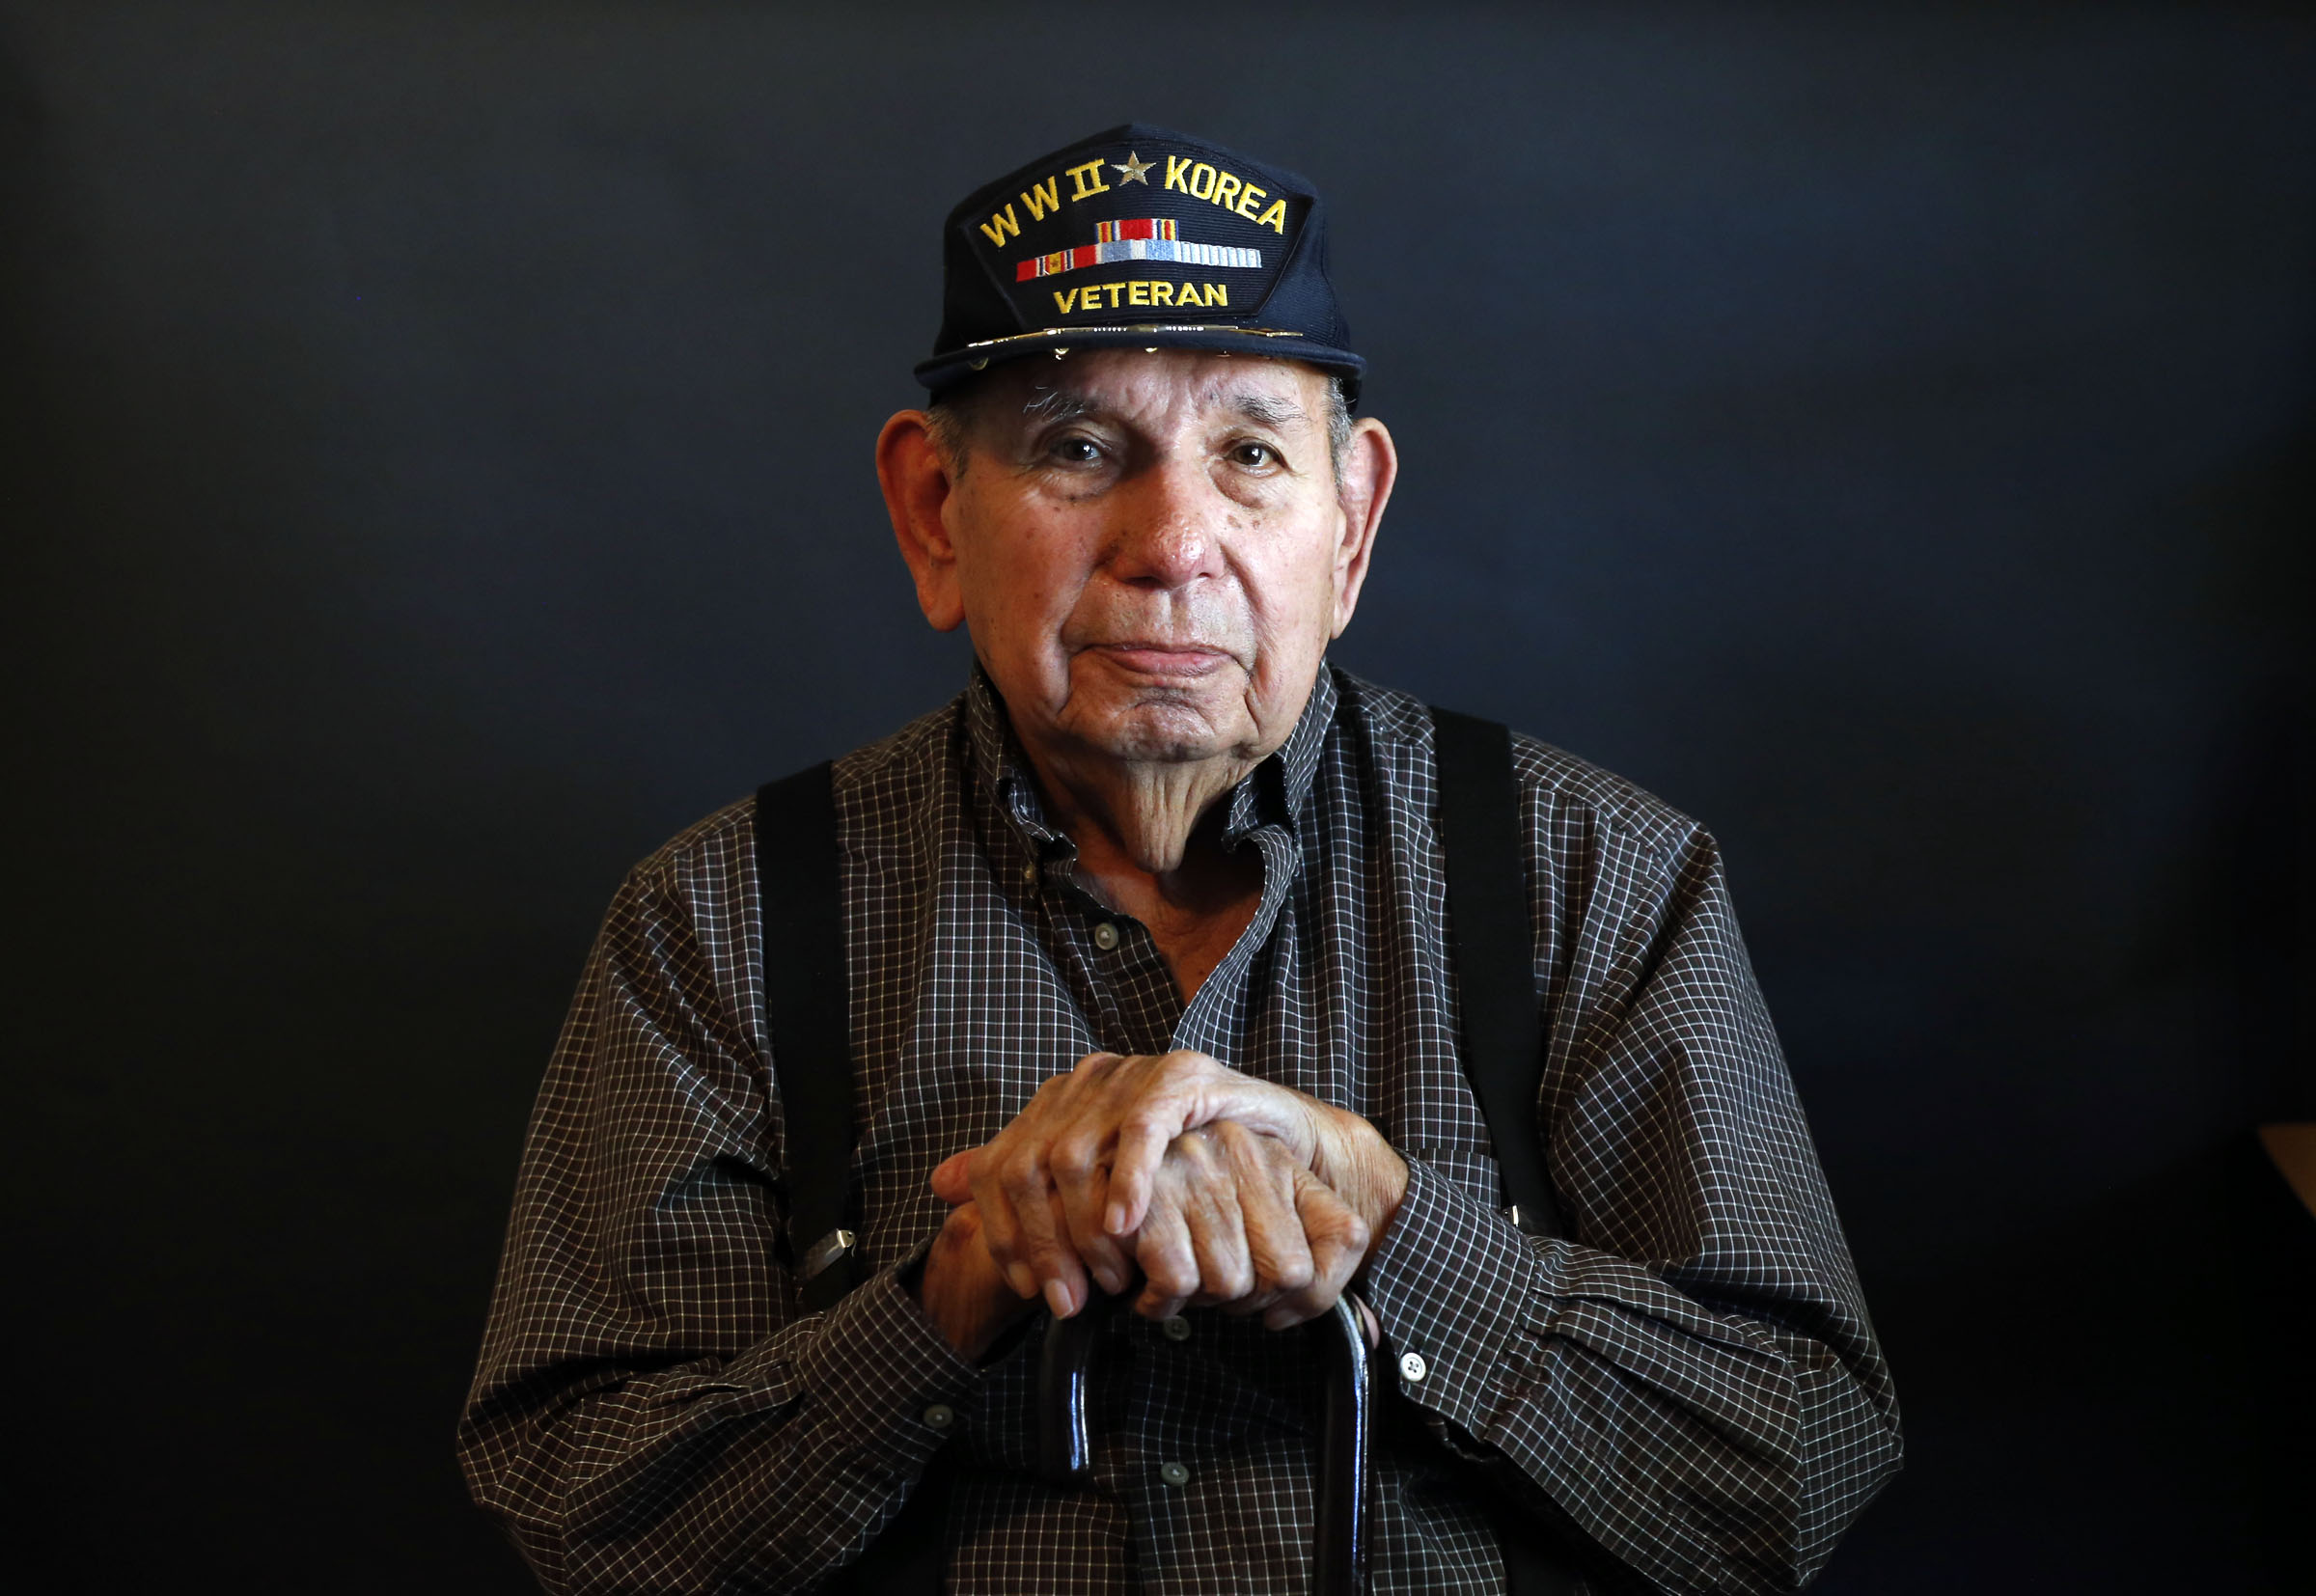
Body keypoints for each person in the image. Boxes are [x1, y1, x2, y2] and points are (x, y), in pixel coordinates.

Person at [458, 124, 1902, 1594]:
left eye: (1251, 454)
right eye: (1080, 448)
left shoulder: (1597, 877)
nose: (1175, 542)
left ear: (1350, 524)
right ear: (933, 513)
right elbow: (589, 1526)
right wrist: (959, 1291)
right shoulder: (720, 920)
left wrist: (1390, 1234)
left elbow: (1794, 1472)